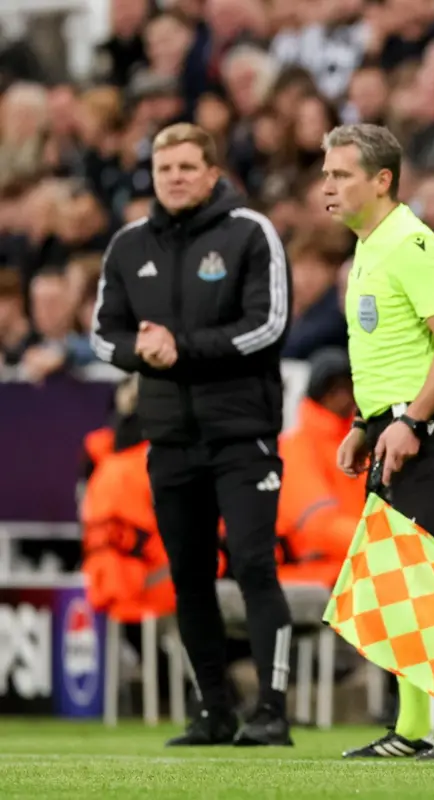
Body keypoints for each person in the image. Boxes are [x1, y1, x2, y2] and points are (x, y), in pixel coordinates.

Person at [90, 122, 294, 747]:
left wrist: (182, 348)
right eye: (164, 168)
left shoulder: (250, 232)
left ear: (212, 173)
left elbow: (269, 325)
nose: (174, 177)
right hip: (170, 438)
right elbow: (103, 333)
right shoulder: (128, 245)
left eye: (186, 166)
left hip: (242, 434)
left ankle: (272, 711)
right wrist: (142, 351)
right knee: (189, 575)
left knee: (254, 565)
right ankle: (215, 711)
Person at [321, 123, 434, 760]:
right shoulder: (370, 247)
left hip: (427, 427)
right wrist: (363, 423)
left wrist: (413, 423)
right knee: (395, 582)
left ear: (382, 180)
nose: (327, 186)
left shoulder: (413, 244)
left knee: (422, 578)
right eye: (325, 174)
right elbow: (392, 354)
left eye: (341, 174)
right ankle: (411, 728)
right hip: (394, 426)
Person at [275, 348, 364, 588]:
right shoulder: (296, 448)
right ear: (318, 395)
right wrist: (382, 547)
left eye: (348, 387)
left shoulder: (366, 442)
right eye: (334, 390)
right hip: (319, 572)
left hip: (359, 564)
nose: (344, 398)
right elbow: (318, 526)